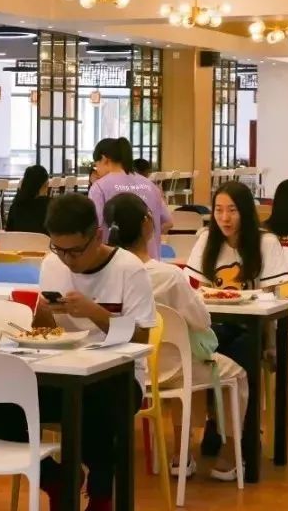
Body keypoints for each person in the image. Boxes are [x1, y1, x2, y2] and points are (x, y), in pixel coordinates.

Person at [0, 194, 156, 511]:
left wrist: (94, 312)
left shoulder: (128, 269)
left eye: (75, 251)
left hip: (120, 376)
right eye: (58, 249)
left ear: (97, 236)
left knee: (93, 411)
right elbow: (43, 331)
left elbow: (141, 338)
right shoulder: (53, 264)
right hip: (61, 371)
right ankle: (57, 479)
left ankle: (101, 495)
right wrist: (44, 313)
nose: (67, 260)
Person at [104, 192, 246, 481]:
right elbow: (202, 320)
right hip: (172, 368)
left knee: (187, 367)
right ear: (147, 224)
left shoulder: (103, 273)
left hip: (123, 371)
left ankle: (182, 455)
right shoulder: (167, 275)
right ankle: (230, 455)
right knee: (236, 374)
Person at [185, 181, 288, 459]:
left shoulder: (266, 242)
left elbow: (270, 299)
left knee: (243, 349)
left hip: (254, 327)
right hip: (216, 325)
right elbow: (199, 293)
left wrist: (271, 344)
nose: (225, 218)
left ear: (245, 211)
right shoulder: (206, 239)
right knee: (208, 350)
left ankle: (244, 432)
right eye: (219, 210)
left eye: (232, 210)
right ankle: (215, 420)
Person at [88, 137, 172, 259]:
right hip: (150, 261)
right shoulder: (150, 185)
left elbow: (94, 228)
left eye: (96, 165)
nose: (97, 171)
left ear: (104, 159)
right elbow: (168, 222)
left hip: (116, 262)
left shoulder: (99, 187)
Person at [5, 164, 51, 234]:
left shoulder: (15, 206)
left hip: (18, 241)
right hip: (43, 241)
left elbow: (9, 232)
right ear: (45, 184)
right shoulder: (52, 206)